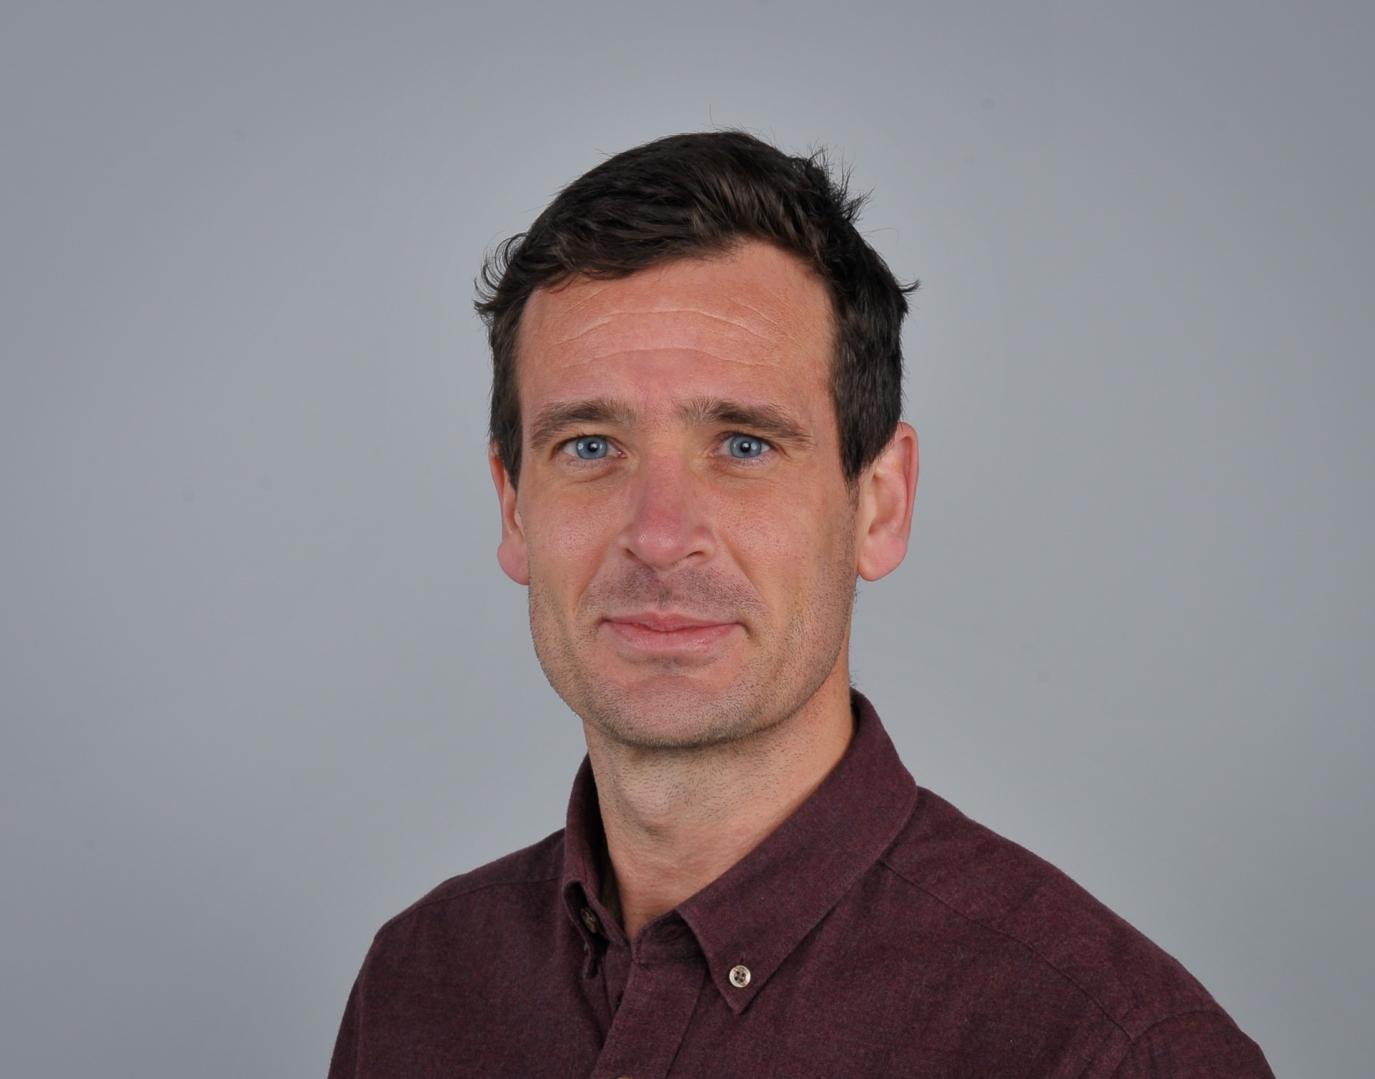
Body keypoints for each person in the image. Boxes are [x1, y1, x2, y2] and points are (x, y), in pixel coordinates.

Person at [328, 131, 1273, 1078]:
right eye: (589, 446)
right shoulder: (418, 982)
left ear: (880, 505)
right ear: (513, 507)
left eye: (744, 445)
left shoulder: (1113, 1050)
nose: (658, 535)